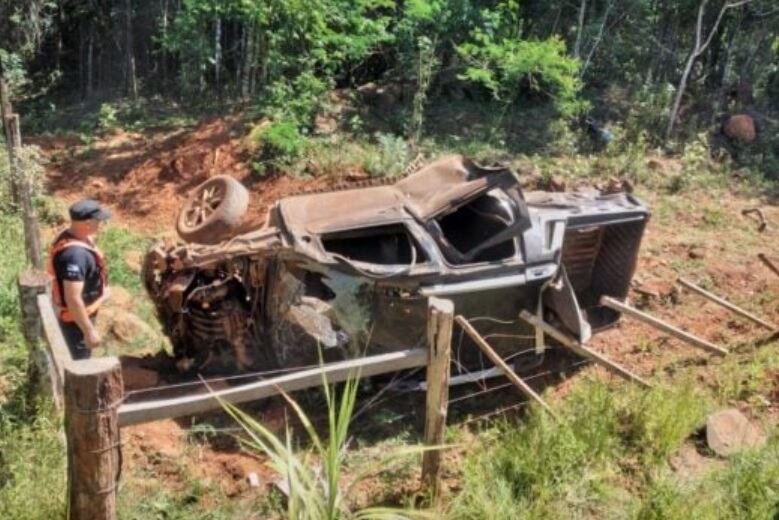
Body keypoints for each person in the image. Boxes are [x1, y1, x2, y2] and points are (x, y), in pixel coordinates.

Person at [46, 199, 111, 360]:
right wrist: (88, 332)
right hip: (75, 323)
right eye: (99, 221)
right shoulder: (75, 256)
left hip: (80, 315)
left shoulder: (72, 235)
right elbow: (73, 298)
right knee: (80, 363)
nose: (101, 224)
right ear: (87, 224)